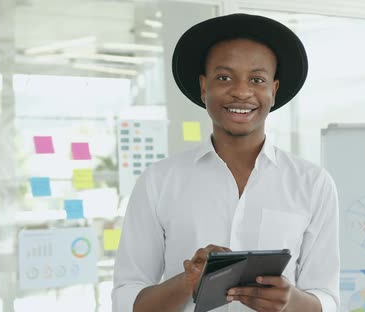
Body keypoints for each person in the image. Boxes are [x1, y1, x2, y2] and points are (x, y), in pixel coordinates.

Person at [112, 13, 340, 312]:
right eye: (224, 77)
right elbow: (126, 300)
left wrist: (290, 300)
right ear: (204, 87)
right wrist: (188, 281)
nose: (242, 91)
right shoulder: (159, 181)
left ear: (273, 89)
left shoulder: (312, 183)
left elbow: (327, 299)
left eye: (257, 79)